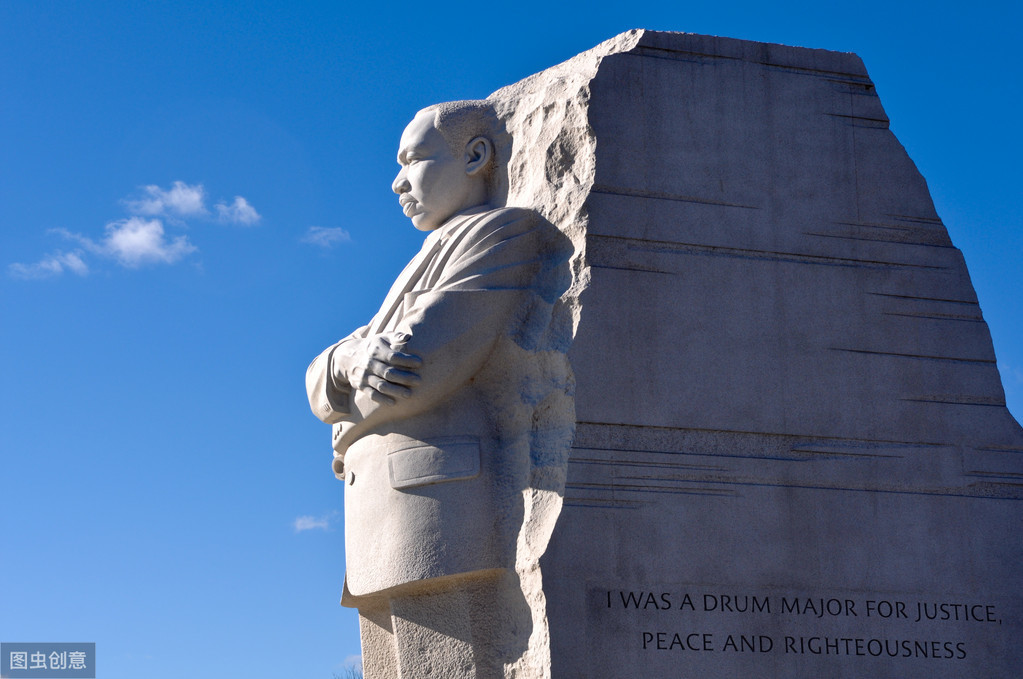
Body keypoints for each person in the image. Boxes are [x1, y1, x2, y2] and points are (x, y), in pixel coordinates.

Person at [306, 100, 573, 678]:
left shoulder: (504, 234)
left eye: (414, 161)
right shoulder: (426, 259)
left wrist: (346, 397)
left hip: (440, 511)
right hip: (385, 514)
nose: (398, 183)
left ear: (476, 156)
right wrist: (353, 360)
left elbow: (415, 369)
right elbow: (318, 377)